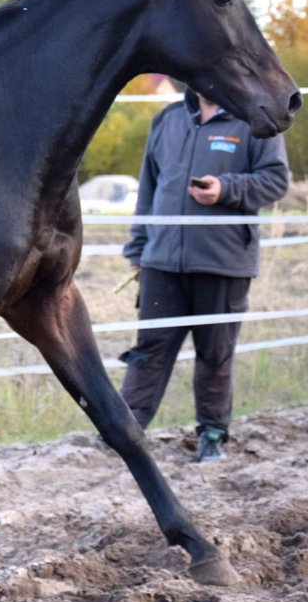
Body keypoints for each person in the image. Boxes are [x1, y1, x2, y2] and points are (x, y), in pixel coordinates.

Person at [119, 87, 290, 462]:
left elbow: (276, 180)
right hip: (162, 260)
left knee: (215, 352)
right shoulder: (168, 120)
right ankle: (125, 430)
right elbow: (148, 187)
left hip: (223, 260)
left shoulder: (253, 119)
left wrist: (226, 189)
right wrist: (138, 247)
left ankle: (212, 434)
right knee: (149, 349)